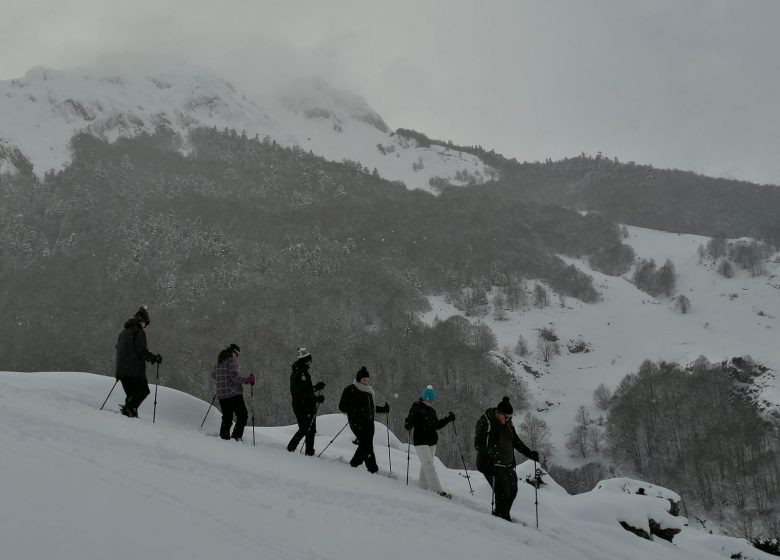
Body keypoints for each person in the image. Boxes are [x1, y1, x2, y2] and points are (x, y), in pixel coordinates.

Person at [474, 396, 539, 522]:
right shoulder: (486, 423)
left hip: (507, 465)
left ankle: (502, 514)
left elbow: (515, 441)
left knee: (512, 491)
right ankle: (501, 518)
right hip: (490, 465)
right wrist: (489, 460)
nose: (509, 419)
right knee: (502, 493)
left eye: (510, 417)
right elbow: (478, 445)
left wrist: (530, 453)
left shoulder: (508, 423)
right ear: (498, 413)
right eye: (507, 417)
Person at [404, 384, 454, 498]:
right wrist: (408, 423)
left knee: (425, 466)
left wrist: (448, 419)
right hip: (420, 441)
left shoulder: (432, 411)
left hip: (432, 442)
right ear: (424, 399)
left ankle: (423, 488)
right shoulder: (416, 407)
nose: (431, 402)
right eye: (429, 400)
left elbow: (436, 425)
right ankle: (438, 491)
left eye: (432, 400)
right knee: (428, 465)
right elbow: (409, 420)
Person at [338, 366, 390, 473]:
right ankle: (372, 469)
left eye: (367, 380)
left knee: (366, 444)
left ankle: (355, 464)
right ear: (358, 379)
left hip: (369, 423)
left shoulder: (368, 392)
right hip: (357, 422)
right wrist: (357, 410)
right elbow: (342, 406)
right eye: (364, 380)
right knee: (367, 445)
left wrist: (383, 409)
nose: (366, 382)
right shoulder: (350, 390)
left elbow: (371, 408)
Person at [115, 305, 162, 418]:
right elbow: (141, 351)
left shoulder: (123, 333)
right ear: (142, 321)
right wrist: (154, 358)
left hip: (121, 370)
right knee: (143, 391)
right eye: (145, 323)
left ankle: (129, 413)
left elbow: (118, 348)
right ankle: (129, 409)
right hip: (134, 371)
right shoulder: (138, 332)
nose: (145, 326)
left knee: (132, 394)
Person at [211, 344, 255, 441]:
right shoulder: (231, 361)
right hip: (233, 394)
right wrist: (248, 380)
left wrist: (222, 380)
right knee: (243, 416)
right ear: (233, 352)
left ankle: (224, 438)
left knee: (227, 417)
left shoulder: (218, 363)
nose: (237, 356)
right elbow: (234, 377)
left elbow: (213, 375)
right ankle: (236, 437)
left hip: (222, 395)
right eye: (237, 354)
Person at [287, 347, 326, 455]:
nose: (310, 363)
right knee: (305, 428)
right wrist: (316, 398)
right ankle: (290, 449)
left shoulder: (301, 371)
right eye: (309, 360)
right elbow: (302, 393)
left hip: (305, 405)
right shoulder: (300, 373)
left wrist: (316, 388)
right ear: (305, 360)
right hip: (302, 405)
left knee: (310, 429)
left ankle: (309, 452)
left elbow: (306, 390)